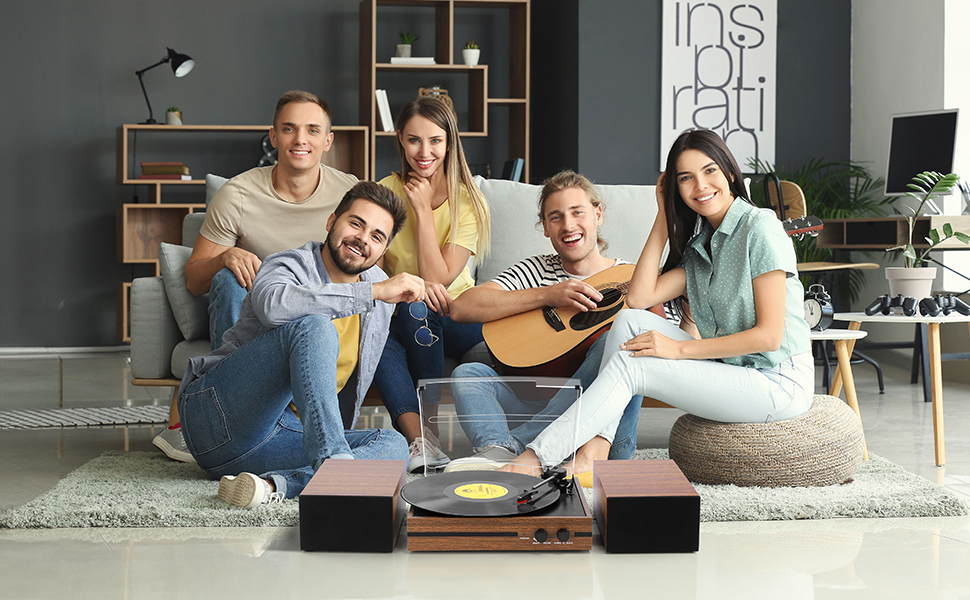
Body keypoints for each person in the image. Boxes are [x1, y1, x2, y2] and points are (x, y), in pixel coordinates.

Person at [500, 129, 815, 481]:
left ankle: (535, 458)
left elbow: (769, 338)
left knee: (635, 368)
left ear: (729, 173)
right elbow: (638, 299)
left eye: (709, 171)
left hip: (778, 381)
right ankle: (594, 450)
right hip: (737, 369)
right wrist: (663, 216)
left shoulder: (760, 229)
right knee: (630, 321)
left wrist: (679, 349)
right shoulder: (703, 245)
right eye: (686, 178)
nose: (700, 186)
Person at [178, 181, 422, 508]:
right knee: (314, 325)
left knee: (391, 445)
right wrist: (374, 294)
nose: (363, 238)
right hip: (219, 422)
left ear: (383, 251)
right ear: (331, 221)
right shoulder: (287, 265)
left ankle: (275, 485)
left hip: (280, 442)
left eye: (377, 236)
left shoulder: (379, 286)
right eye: (356, 223)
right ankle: (336, 471)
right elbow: (273, 307)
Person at [153, 90, 358, 463]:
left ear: (328, 141)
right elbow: (196, 280)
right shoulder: (238, 194)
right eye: (289, 129)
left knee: (386, 446)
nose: (300, 140)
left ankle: (289, 455)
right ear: (273, 136)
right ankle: (233, 410)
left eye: (313, 130)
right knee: (227, 281)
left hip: (317, 317)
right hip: (255, 320)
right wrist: (225, 257)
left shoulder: (349, 193)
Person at [444, 170, 688, 473]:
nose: (568, 225)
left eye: (577, 212)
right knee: (469, 374)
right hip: (531, 406)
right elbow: (461, 308)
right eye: (556, 217)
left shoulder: (636, 278)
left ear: (598, 214)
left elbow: (670, 347)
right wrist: (548, 295)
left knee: (616, 343)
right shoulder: (536, 271)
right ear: (545, 227)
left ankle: (516, 452)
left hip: (601, 435)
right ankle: (498, 450)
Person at [371, 96, 492, 472]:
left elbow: (439, 278)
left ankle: (430, 432)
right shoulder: (383, 193)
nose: (424, 152)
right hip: (401, 309)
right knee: (376, 330)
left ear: (450, 142)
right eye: (414, 140)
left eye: (435, 141)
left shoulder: (469, 202)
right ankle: (420, 442)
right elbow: (368, 267)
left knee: (416, 306)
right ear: (400, 140)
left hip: (459, 314)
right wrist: (406, 287)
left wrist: (422, 210)